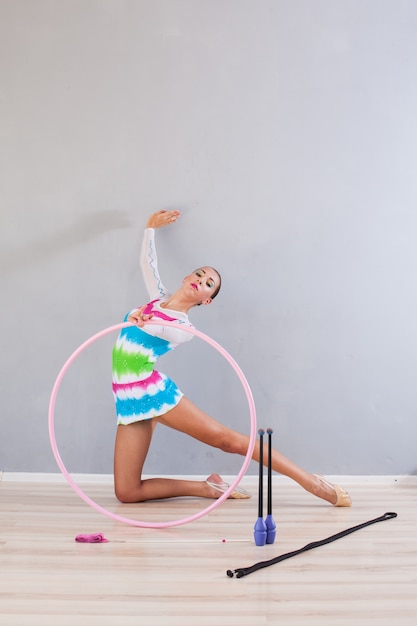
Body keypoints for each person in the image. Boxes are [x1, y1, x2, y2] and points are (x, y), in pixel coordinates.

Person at [112, 209, 351, 507]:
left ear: (206, 299)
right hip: (126, 399)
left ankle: (313, 483)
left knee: (227, 440)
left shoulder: (184, 328)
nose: (201, 280)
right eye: (199, 273)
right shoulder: (155, 300)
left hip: (151, 391)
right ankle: (209, 489)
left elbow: (159, 327)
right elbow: (148, 265)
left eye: (209, 283)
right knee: (127, 492)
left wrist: (140, 319)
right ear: (187, 277)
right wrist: (150, 227)